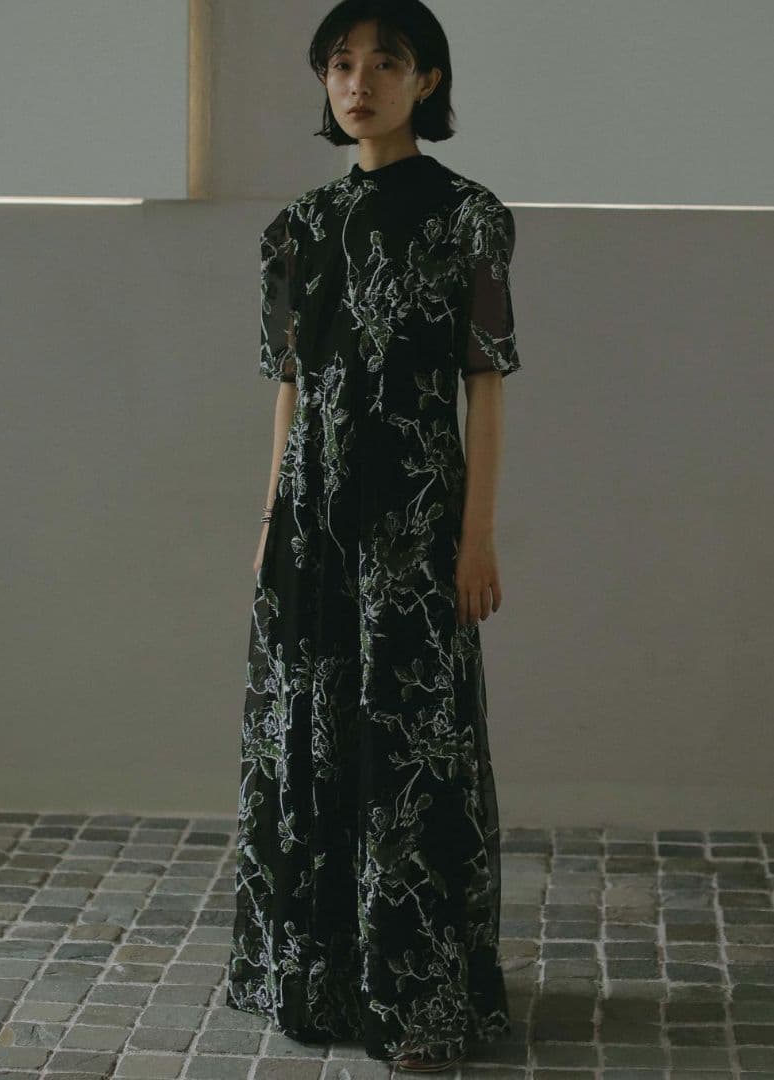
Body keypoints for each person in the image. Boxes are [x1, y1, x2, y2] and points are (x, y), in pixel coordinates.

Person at [226, 1, 521, 1071]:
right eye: (340, 64)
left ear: (425, 81)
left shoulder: (467, 216)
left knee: (409, 746)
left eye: (385, 63)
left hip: (413, 521)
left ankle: (417, 996)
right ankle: (316, 980)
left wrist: (475, 538)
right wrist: (270, 519)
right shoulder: (297, 228)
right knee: (305, 735)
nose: (359, 83)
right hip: (310, 523)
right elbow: (291, 389)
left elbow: (484, 381)